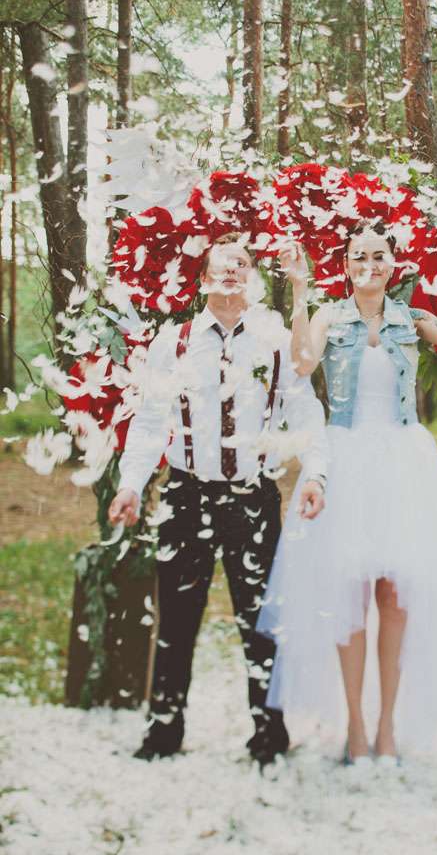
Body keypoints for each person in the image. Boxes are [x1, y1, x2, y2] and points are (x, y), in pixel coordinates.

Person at [258, 219, 437, 765]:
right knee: (350, 597)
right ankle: (356, 731)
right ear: (345, 265)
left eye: (379, 255)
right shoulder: (328, 316)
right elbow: (302, 363)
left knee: (394, 598)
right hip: (346, 459)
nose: (369, 264)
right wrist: (298, 289)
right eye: (359, 255)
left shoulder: (412, 318)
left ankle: (387, 729)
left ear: (393, 264)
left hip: (403, 463)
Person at [108, 235, 328, 767]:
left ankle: (269, 736)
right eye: (221, 265)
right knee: (177, 618)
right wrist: (131, 483)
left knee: (261, 622)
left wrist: (316, 474)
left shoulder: (275, 343)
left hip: (252, 499)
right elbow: (149, 422)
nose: (232, 271)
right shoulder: (174, 342)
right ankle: (163, 732)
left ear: (253, 279)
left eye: (242, 264)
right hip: (186, 495)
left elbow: (305, 411)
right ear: (204, 279)